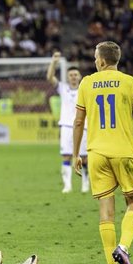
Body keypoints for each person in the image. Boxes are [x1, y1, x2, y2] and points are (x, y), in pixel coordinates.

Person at [72, 41, 133, 264]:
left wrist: (75, 154)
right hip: (123, 151)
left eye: (95, 58)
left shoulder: (86, 83)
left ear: (102, 61)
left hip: (96, 154)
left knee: (106, 211)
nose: (95, 61)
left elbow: (78, 122)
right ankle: (123, 248)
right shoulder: (131, 82)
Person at [46, 52, 89, 193]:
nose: (73, 77)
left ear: (80, 77)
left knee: (84, 157)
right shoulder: (63, 88)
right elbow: (49, 77)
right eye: (71, 75)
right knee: (66, 155)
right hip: (66, 126)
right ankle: (67, 185)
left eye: (76, 75)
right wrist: (54, 62)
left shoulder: (85, 89)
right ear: (68, 77)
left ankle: (85, 183)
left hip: (83, 126)